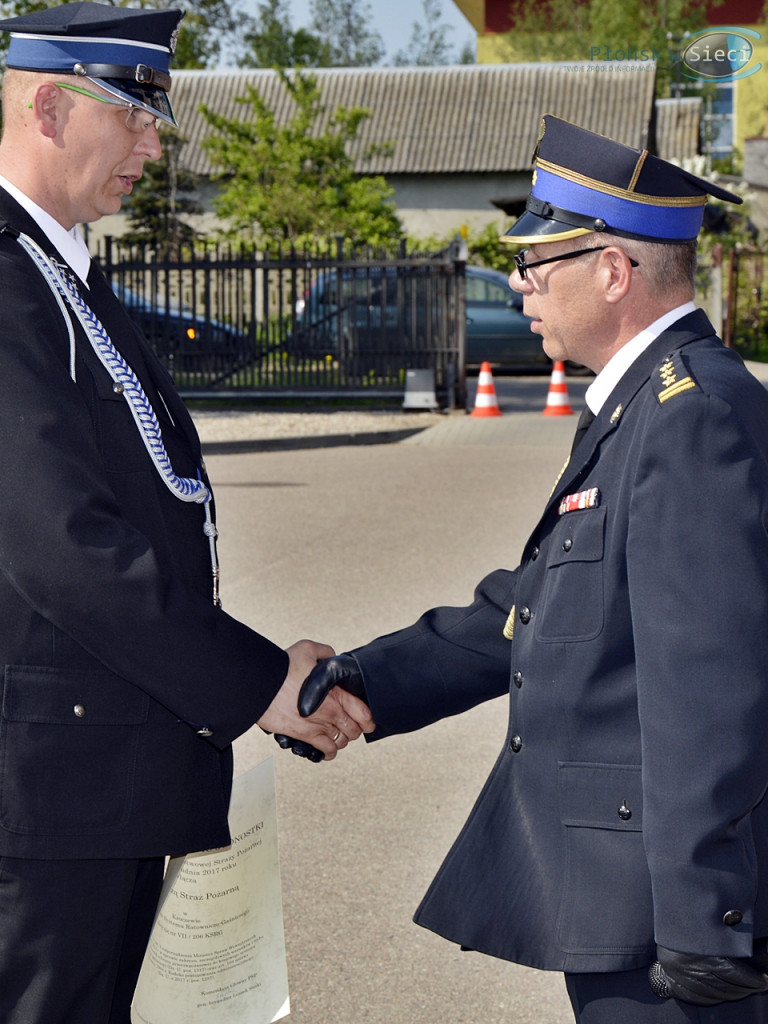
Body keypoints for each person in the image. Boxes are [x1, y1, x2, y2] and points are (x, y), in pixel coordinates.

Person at [295, 114, 768, 1023]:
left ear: (614, 271)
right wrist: (363, 679)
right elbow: (538, 604)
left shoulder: (692, 416)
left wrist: (708, 918)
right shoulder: (638, 403)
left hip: (671, 921)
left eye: (535, 266)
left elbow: (711, 688)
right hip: (625, 896)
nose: (518, 286)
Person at [0, 5, 372, 1023]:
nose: (155, 145)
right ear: (48, 105)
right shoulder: (8, 279)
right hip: (44, 795)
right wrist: (261, 681)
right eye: (136, 114)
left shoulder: (56, 271)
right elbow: (63, 546)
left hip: (89, 778)